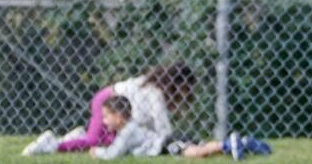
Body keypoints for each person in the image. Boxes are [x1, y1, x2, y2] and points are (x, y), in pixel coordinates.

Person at [23, 63, 197, 157]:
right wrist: (172, 142)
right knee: (93, 141)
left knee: (109, 141)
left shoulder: (153, 89)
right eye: (186, 87)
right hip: (107, 101)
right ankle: (50, 145)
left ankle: (76, 136)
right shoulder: (155, 93)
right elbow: (162, 126)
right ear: (177, 83)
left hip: (113, 103)